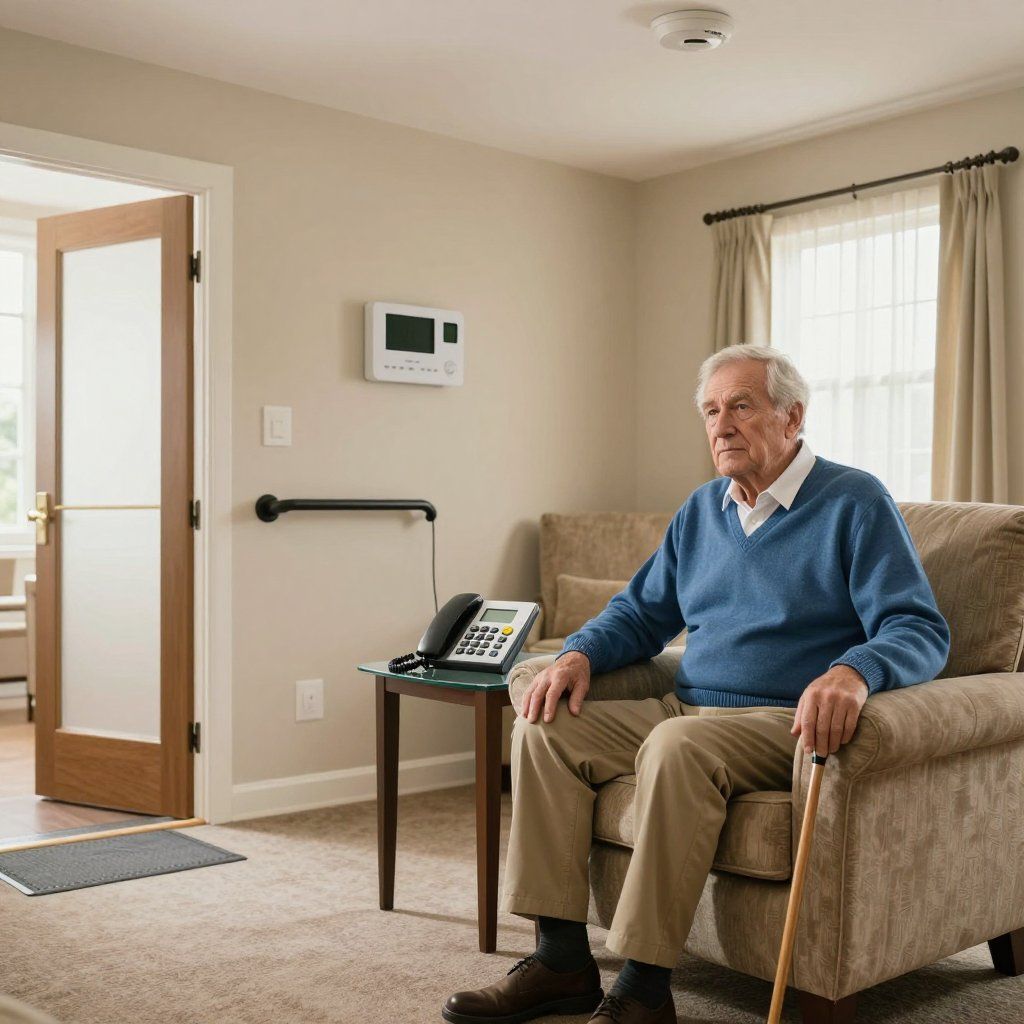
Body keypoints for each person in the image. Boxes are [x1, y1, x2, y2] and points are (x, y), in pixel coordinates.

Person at [442, 345, 950, 1024]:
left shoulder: (853, 501)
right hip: (687, 704)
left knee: (677, 745)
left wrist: (855, 671)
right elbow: (641, 611)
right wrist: (577, 655)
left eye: (741, 405)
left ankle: (645, 989)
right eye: (711, 411)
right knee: (545, 724)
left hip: (782, 724)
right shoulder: (703, 509)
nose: (722, 425)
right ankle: (562, 960)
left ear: (792, 416)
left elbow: (919, 628)